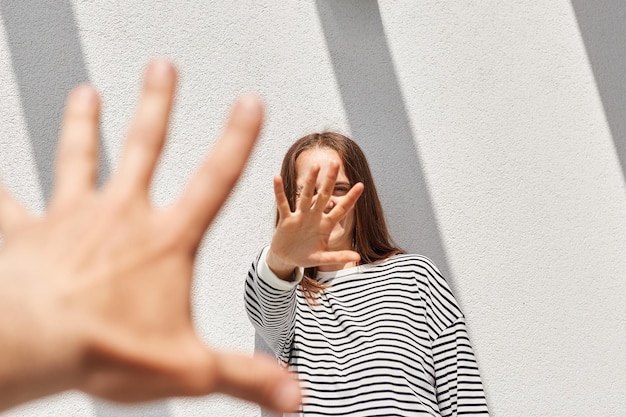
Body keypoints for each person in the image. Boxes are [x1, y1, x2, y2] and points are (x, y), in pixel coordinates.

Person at [0, 59, 301, 413]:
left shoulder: (385, 274)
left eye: (338, 187)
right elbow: (271, 315)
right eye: (309, 190)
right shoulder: (284, 281)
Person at [245, 132, 489, 416]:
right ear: (291, 201)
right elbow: (265, 300)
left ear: (361, 196)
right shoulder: (289, 297)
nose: (325, 202)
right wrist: (281, 257)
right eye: (309, 190)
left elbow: (464, 397)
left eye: (338, 188)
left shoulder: (416, 278)